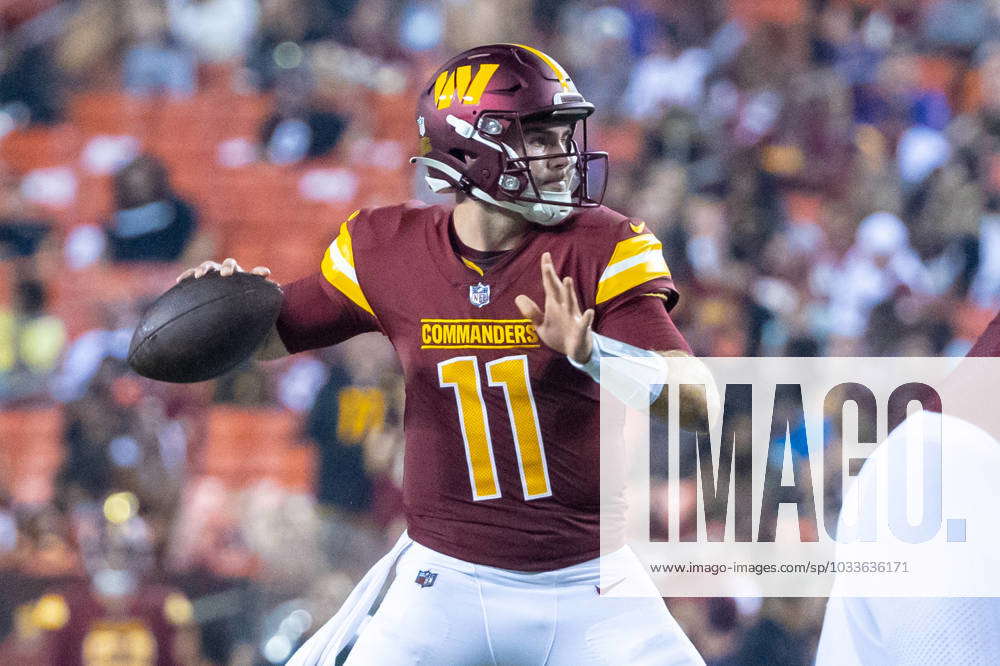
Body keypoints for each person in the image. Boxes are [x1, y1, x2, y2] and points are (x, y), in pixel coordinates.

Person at [179, 44, 710, 665]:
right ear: (473, 148)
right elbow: (270, 337)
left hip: (590, 582)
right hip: (445, 583)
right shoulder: (386, 248)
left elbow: (698, 402)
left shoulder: (601, 247)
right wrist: (219, 307)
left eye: (564, 136)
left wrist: (595, 354)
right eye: (540, 137)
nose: (564, 157)